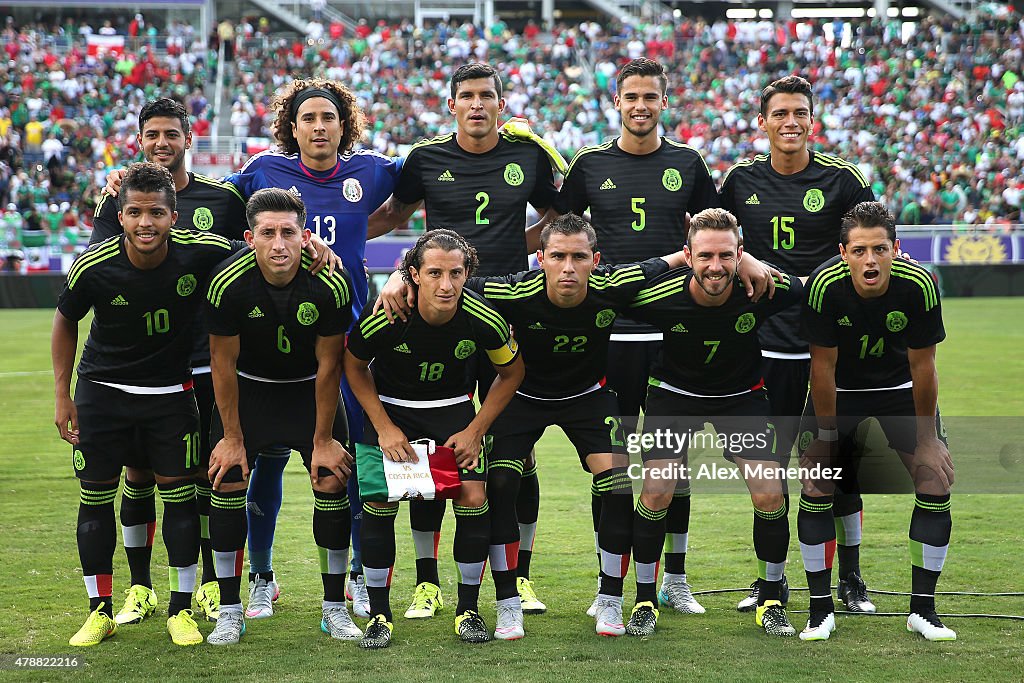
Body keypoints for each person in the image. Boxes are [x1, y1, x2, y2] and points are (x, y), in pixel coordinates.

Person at [376, 213, 775, 637]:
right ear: (540, 258)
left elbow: (668, 263)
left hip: (588, 397)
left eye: (579, 257)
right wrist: (399, 277)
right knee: (503, 484)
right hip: (523, 397)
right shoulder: (511, 290)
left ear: (595, 260)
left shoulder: (611, 286)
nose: (569, 267)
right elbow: (447, 281)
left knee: (617, 483)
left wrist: (747, 262)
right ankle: (508, 601)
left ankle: (609, 599)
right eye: (559, 256)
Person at [105, 81, 386, 619]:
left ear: (344, 123)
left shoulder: (374, 170)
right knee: (261, 470)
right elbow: (188, 199)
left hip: (345, 346)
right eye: (309, 117)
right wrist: (128, 181)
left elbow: (412, 200)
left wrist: (393, 272)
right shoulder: (259, 174)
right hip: (259, 364)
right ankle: (260, 576)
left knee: (347, 467)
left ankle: (353, 583)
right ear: (293, 126)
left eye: (330, 116)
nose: (320, 126)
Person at [368, 62, 560, 618]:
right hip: (438, 313)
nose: (477, 105)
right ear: (452, 105)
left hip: (505, 310)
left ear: (501, 104)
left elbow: (557, 215)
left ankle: (517, 575)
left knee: (512, 454)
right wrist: (336, 231)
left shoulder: (527, 156)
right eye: (467, 96)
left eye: (487, 96)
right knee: (433, 444)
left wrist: (514, 241)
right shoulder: (426, 159)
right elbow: (391, 215)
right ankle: (428, 581)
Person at [557, 57, 720, 615]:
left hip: (675, 331)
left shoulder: (689, 164)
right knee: (615, 464)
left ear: (663, 103)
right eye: (632, 97)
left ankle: (674, 577)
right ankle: (612, 583)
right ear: (618, 103)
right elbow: (561, 237)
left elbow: (716, 236)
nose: (641, 106)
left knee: (673, 463)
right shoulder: (589, 165)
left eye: (651, 97)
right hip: (613, 335)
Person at [52, 162, 239, 648]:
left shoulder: (202, 253)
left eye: (156, 212)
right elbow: (64, 320)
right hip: (102, 394)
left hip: (170, 397)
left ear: (174, 216)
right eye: (134, 212)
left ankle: (180, 610)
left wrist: (313, 248)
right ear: (120, 213)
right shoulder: (94, 264)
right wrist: (62, 395)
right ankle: (100, 611)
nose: (145, 222)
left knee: (179, 499)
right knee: (95, 499)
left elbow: (260, 253)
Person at [719, 75, 876, 613]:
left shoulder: (844, 180)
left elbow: (868, 247)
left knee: (836, 468)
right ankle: (771, 582)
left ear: (813, 120)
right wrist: (744, 260)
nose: (790, 122)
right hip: (762, 346)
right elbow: (716, 242)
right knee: (768, 469)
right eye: (780, 113)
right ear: (761, 122)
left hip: (830, 349)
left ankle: (851, 580)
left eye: (800, 113)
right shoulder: (740, 180)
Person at [92, 97, 249, 625]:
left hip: (207, 365)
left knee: (206, 477)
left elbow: (249, 254)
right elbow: (99, 272)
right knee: (138, 475)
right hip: (145, 370)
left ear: (189, 138)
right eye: (152, 134)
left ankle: (207, 582)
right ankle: (140, 587)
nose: (162, 143)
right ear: (140, 139)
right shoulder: (117, 200)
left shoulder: (223, 198)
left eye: (171, 134)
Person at [626, 208, 803, 637]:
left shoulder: (758, 288)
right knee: (656, 491)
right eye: (705, 256)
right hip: (674, 396)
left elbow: (806, 289)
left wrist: (760, 265)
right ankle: (646, 600)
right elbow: (612, 286)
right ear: (688, 255)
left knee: (769, 491)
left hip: (740, 398)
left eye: (726, 256)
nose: (716, 266)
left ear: (740, 254)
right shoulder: (661, 295)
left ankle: (772, 597)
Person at [345, 229, 524, 648]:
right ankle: (379, 616)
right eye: (435, 273)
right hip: (392, 411)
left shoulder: (483, 317)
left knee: (474, 498)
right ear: (414, 274)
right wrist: (385, 427)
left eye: (456, 273)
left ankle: (468, 611)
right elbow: (354, 367)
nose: (446, 285)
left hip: (453, 413)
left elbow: (512, 373)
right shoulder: (390, 314)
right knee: (378, 501)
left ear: (467, 274)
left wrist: (476, 429)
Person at [204, 188, 359, 645]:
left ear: (305, 236)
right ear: (249, 238)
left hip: (306, 394)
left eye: (288, 233)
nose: (278, 244)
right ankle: (230, 610)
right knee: (227, 477)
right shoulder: (227, 282)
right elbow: (222, 363)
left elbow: (330, 365)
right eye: (267, 233)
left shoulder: (331, 281)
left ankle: (334, 608)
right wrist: (232, 436)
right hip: (249, 394)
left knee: (332, 479)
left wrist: (324, 438)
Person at [797, 201, 954, 642]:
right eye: (861, 250)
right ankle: (819, 610)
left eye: (880, 249)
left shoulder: (919, 283)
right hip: (839, 391)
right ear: (844, 252)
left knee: (934, 478)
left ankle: (923, 610)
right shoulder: (825, 286)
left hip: (898, 391)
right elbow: (822, 369)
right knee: (817, 482)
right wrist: (827, 437)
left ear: (895, 248)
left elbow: (924, 367)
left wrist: (926, 439)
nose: (871, 260)